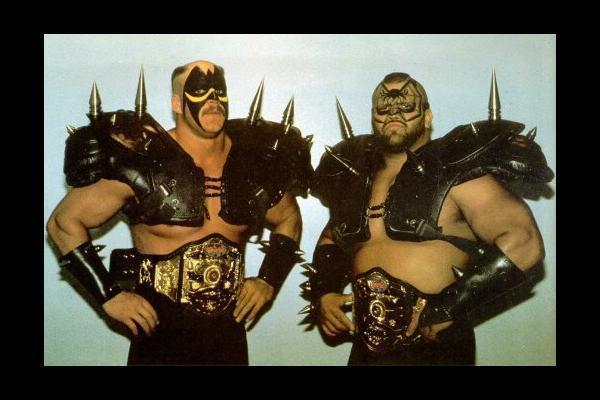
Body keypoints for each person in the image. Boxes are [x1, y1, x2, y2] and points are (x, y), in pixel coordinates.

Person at [46, 60, 313, 365]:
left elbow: (289, 218)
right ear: (177, 103)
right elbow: (63, 222)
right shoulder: (143, 159)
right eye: (199, 91)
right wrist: (108, 295)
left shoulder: (252, 165)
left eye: (219, 92)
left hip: (227, 335)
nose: (212, 100)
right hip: (160, 333)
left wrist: (268, 279)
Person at [301, 71, 554, 365]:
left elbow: (524, 242)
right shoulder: (358, 181)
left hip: (435, 344)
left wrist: (450, 305)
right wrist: (325, 292)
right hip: (366, 348)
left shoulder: (456, 171)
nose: (393, 113)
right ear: (373, 117)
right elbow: (332, 240)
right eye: (383, 108)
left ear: (427, 116)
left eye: (406, 106)